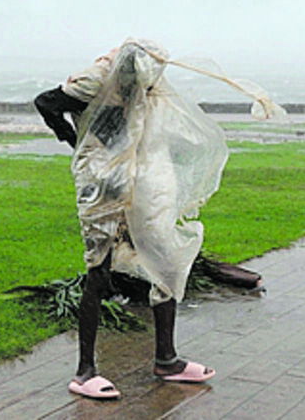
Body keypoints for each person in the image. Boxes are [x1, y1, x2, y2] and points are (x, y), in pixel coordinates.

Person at [34, 39, 226, 399]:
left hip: (140, 176)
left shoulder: (150, 84)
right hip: (102, 180)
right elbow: (46, 103)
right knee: (99, 269)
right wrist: (78, 141)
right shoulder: (93, 81)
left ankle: (166, 360)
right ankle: (84, 371)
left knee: (165, 261)